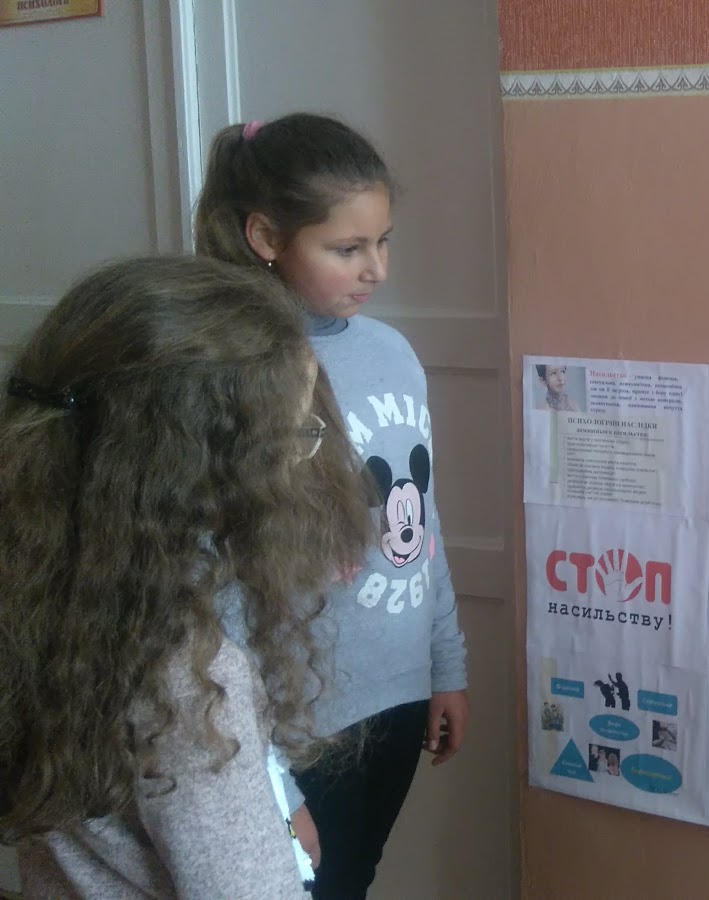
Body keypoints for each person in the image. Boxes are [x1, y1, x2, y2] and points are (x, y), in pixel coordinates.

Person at [0, 257, 371, 898]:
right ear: (200, 466)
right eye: (294, 436)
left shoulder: (42, 581)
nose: (305, 460)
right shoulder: (187, 680)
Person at [195, 112, 471, 899]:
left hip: (397, 698)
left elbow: (422, 522)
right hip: (293, 723)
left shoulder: (391, 354)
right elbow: (209, 597)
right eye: (347, 249)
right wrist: (270, 781)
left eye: (383, 242)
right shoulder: (224, 376)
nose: (376, 268)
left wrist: (446, 665)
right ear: (265, 236)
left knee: (351, 879)